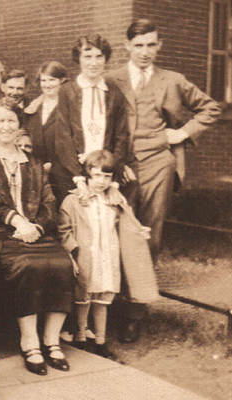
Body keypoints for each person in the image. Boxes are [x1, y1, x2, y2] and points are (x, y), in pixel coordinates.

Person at [106, 19, 221, 343]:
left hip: (158, 162)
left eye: (151, 45)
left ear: (159, 46)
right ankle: (111, 302)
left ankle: (135, 313)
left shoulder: (172, 80)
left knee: (149, 236)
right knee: (114, 233)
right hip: (120, 165)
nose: (145, 52)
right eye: (138, 45)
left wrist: (182, 132)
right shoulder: (111, 79)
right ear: (128, 46)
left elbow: (210, 108)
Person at [0, 101, 74, 376]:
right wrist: (17, 221)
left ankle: (52, 340)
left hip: (36, 233)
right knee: (26, 265)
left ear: (19, 125)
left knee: (64, 264)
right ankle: (30, 341)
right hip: (1, 233)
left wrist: (37, 227)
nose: (6, 127)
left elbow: (49, 202)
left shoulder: (34, 161)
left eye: (11, 121)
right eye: (0, 121)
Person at [58, 150, 158, 358]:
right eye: (96, 175)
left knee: (102, 297)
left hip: (107, 256)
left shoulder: (113, 200)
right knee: (84, 297)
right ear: (87, 175)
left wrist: (138, 230)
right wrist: (72, 253)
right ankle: (81, 336)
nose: (101, 182)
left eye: (107, 177)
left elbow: (127, 219)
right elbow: (63, 230)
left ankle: (101, 340)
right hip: (85, 256)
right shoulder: (75, 200)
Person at [53, 33, 129, 207]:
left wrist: (113, 180)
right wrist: (79, 179)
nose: (93, 63)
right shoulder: (67, 91)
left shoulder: (115, 93)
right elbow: (63, 137)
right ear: (78, 59)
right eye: (87, 57)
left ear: (105, 59)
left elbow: (121, 138)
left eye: (99, 57)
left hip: (105, 177)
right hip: (73, 173)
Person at [24, 61, 69, 206]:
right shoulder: (33, 108)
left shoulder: (69, 107)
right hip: (37, 174)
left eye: (52, 80)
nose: (47, 84)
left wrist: (54, 166)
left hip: (63, 174)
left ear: (62, 80)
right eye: (43, 80)